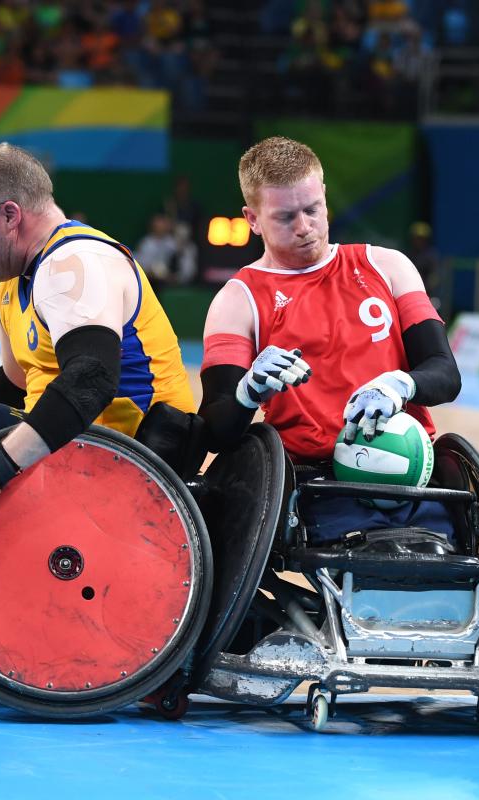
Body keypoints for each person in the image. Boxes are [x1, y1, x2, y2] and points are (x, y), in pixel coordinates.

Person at [0, 143, 194, 584]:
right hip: (77, 446)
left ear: (11, 215)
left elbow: (91, 381)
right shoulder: (11, 284)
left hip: (131, 460)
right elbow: (14, 381)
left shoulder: (75, 262)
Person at [197, 136, 461, 543]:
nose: (304, 228)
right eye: (285, 217)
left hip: (412, 471)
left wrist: (400, 383)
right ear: (252, 219)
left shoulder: (387, 266)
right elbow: (215, 429)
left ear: (323, 195)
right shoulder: (237, 300)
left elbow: (445, 374)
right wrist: (247, 392)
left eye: (312, 210)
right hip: (317, 486)